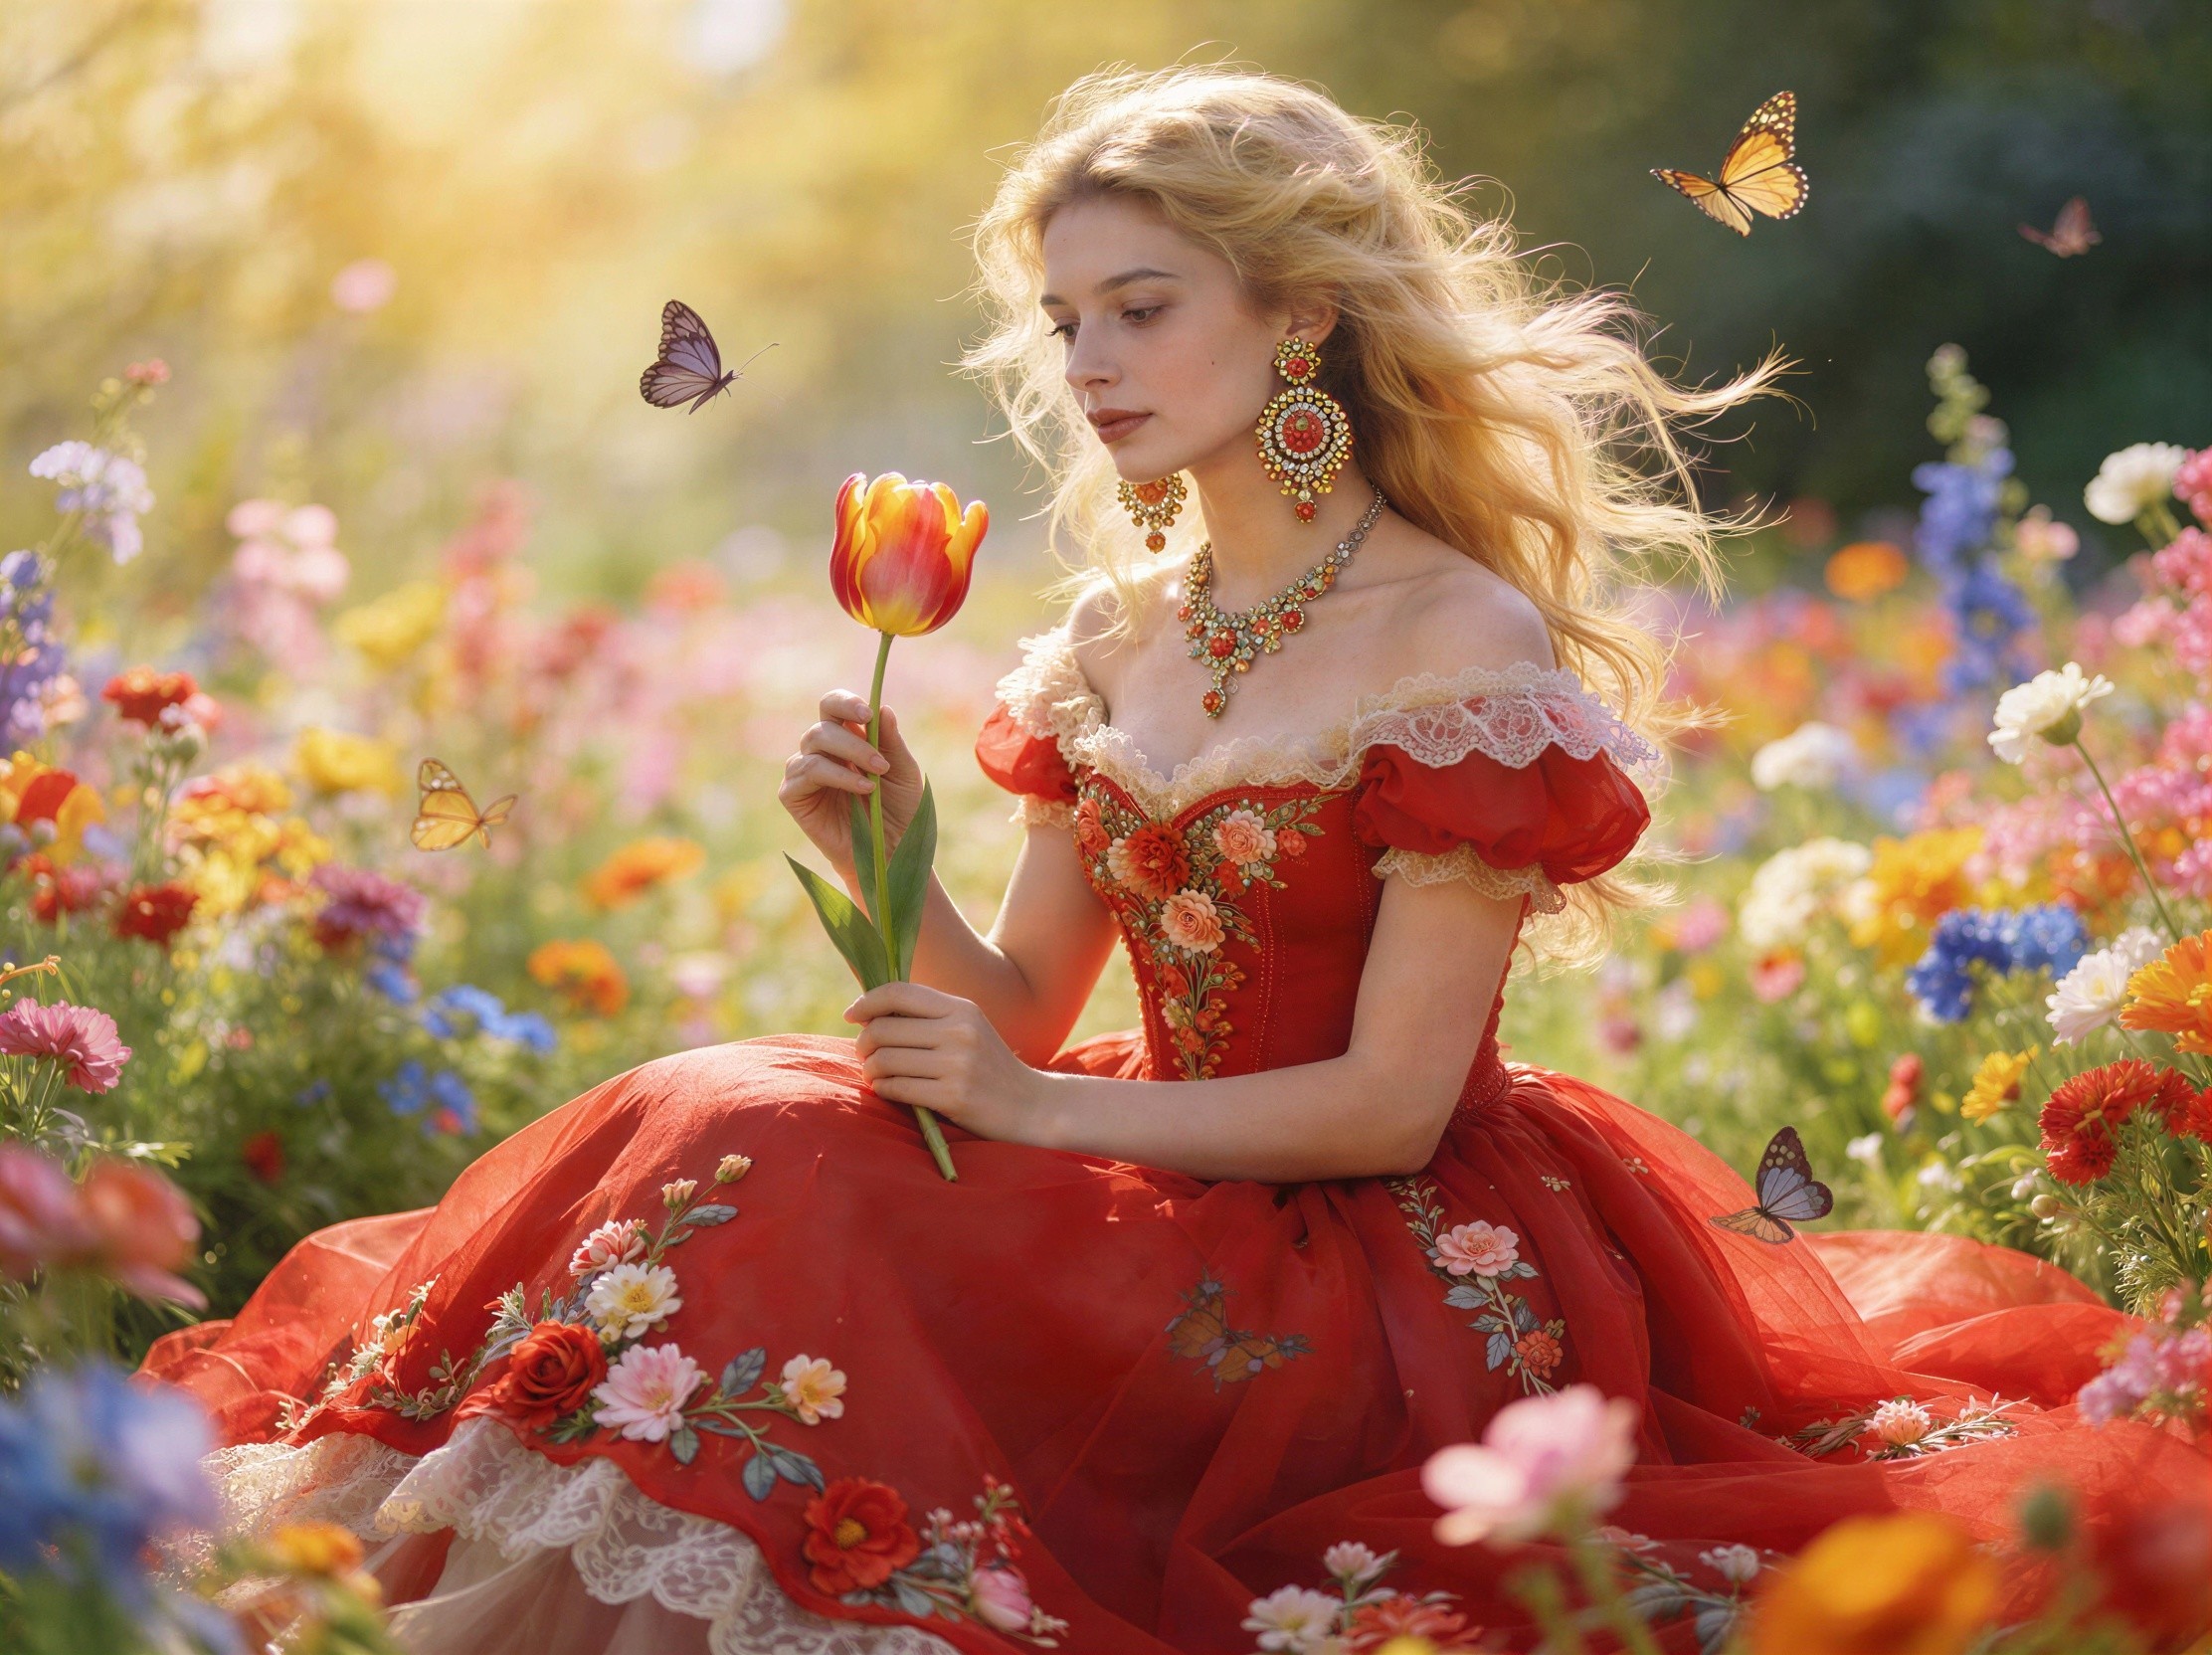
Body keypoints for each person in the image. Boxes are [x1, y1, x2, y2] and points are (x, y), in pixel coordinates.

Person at [149, 67, 2200, 1655]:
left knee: (755, 1145)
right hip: (1130, 1164)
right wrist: (884, 861)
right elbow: (1013, 1007)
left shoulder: (1452, 646)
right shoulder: (1123, 628)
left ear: (1294, 316)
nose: (1093, 362)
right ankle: (393, 1567)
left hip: (1371, 1264)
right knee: (712, 1110)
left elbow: (1391, 1106)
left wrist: (1032, 1104)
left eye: (1141, 306)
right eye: (1065, 321)